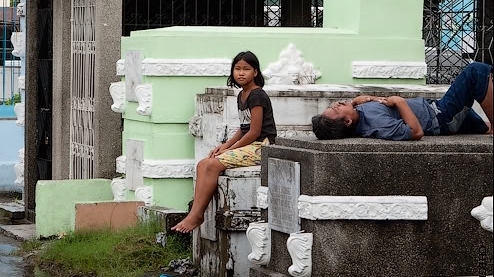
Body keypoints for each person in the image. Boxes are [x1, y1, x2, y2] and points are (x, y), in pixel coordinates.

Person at [172, 51, 277, 233]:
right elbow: (244, 128)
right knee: (203, 164)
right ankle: (194, 213)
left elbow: (254, 132)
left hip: (262, 146)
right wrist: (225, 146)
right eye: (237, 69)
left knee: (212, 165)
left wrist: (230, 150)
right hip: (250, 144)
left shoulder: (257, 95)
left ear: (256, 72)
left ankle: (197, 215)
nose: (241, 73)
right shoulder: (242, 95)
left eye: (246, 69)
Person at [312, 61, 494, 140]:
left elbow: (372, 107)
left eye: (332, 105)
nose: (336, 104)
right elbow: (416, 132)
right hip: (441, 116)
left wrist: (356, 102)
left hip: (435, 109)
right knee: (476, 72)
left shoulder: (358, 112)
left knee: (486, 128)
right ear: (347, 121)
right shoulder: (378, 124)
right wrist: (399, 101)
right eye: (335, 109)